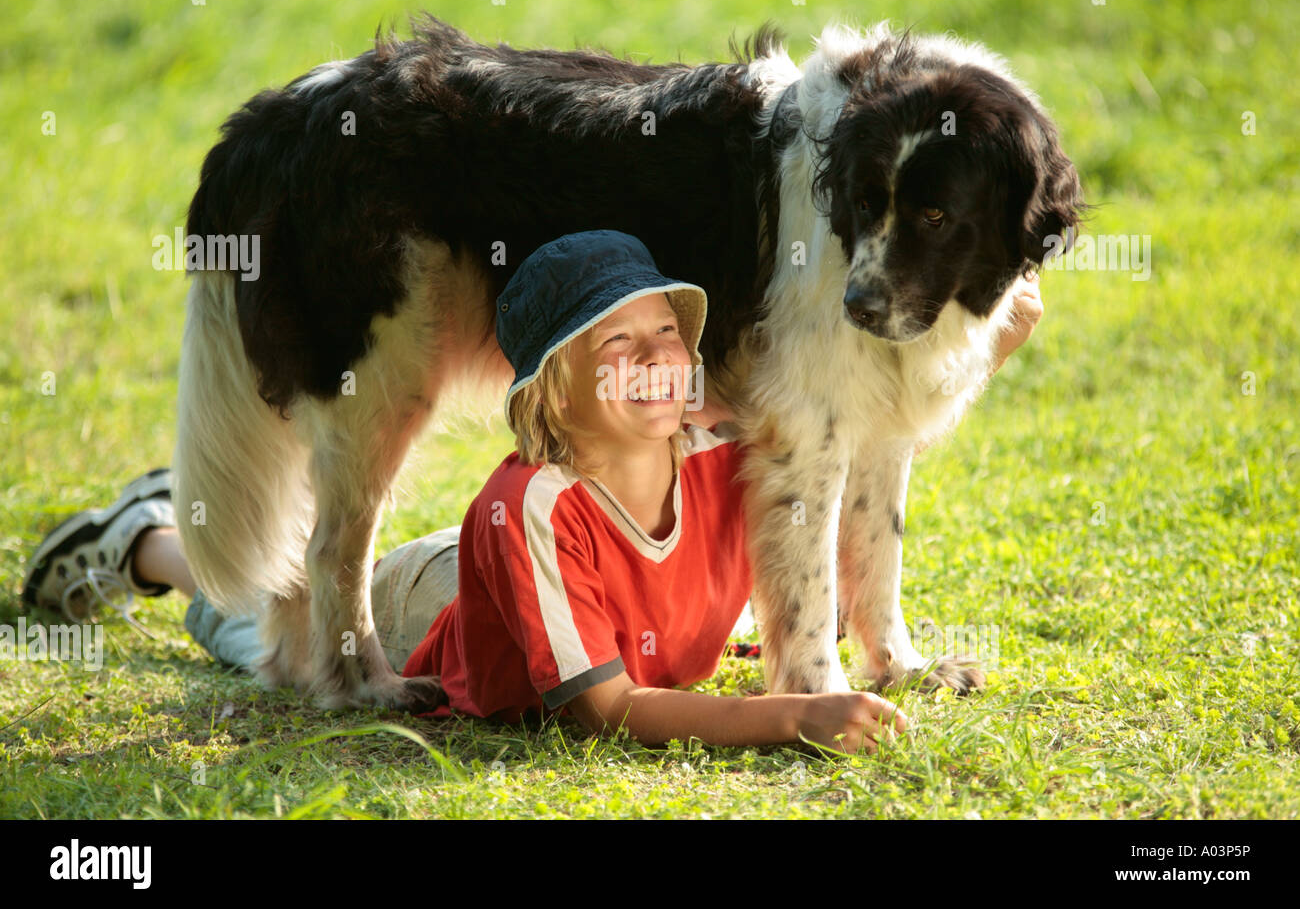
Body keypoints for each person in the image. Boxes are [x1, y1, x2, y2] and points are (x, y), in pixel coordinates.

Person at [22, 230, 1042, 753]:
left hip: (529, 591)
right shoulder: (529, 509)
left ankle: (159, 520)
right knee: (249, 609)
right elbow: (603, 711)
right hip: (428, 609)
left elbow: (858, 415)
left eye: (667, 336)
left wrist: (992, 333)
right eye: (617, 343)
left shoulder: (730, 451)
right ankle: (144, 538)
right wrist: (794, 716)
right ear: (552, 383)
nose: (655, 359)